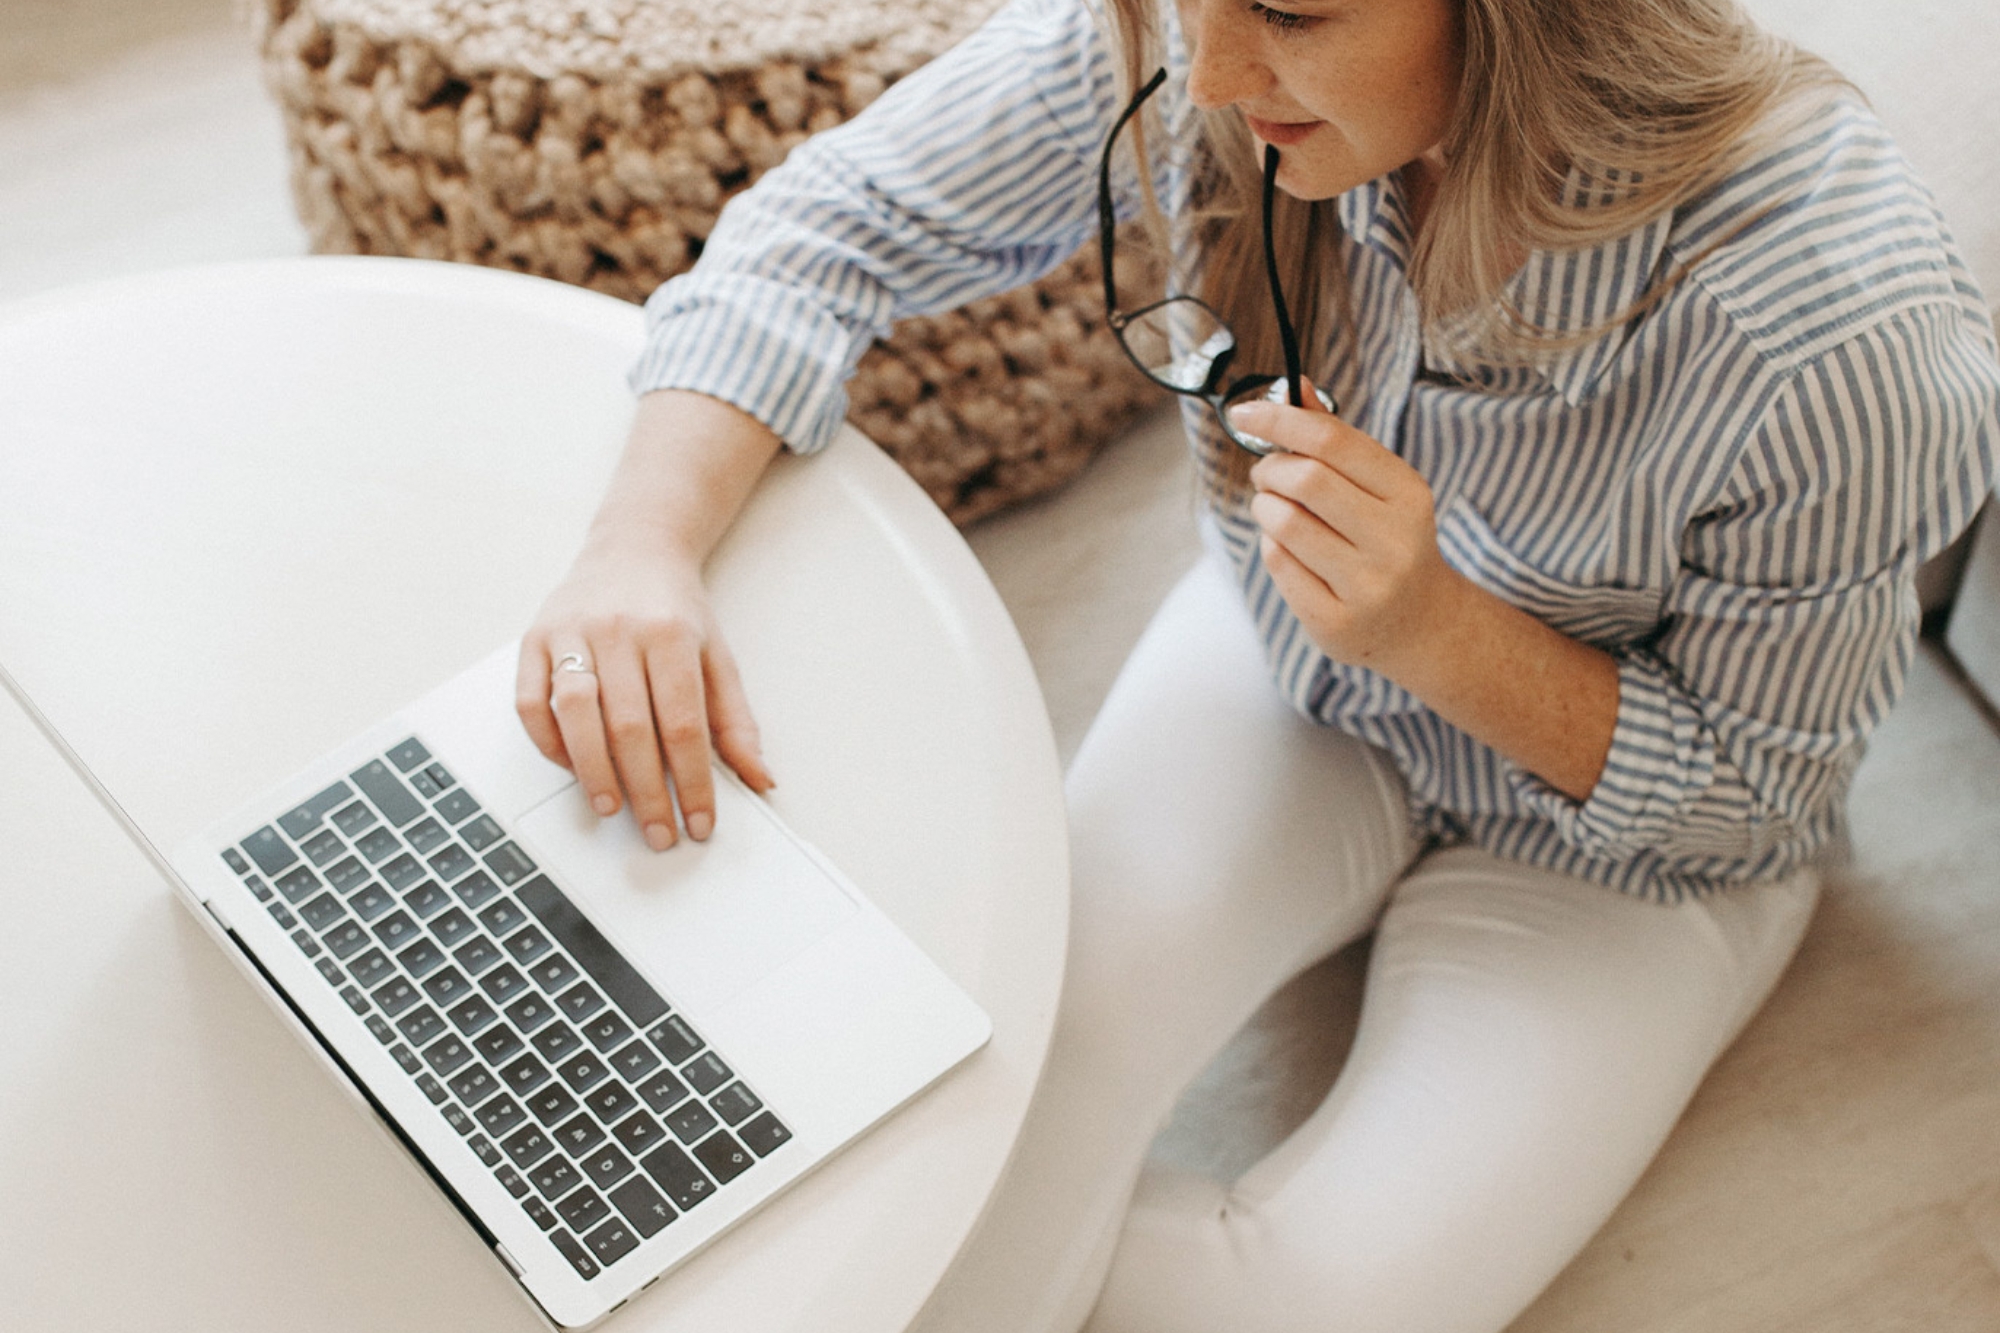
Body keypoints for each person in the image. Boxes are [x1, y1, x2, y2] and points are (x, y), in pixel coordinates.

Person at [514, 0, 2000, 1328]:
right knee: (971, 1105)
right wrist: (639, 544)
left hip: (1627, 857)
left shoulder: (1838, 329)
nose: (1211, 70)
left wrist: (1438, 629)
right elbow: (830, 224)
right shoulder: (1185, 38)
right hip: (1289, 673)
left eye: (1295, 11)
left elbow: (1753, 791)